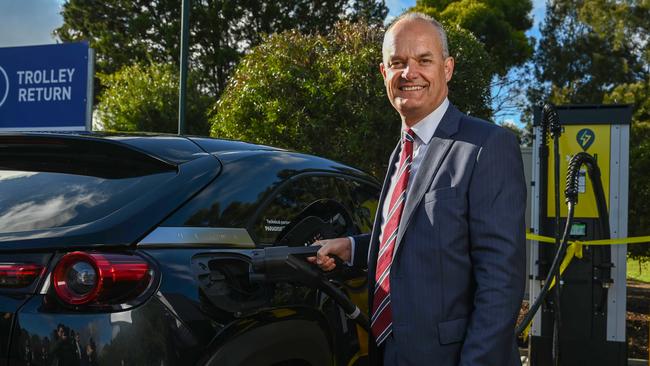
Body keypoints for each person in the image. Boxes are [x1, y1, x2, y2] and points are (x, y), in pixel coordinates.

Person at [312, 12, 526, 366]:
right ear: (384, 74)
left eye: (424, 60)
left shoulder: (488, 146)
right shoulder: (402, 151)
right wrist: (351, 248)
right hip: (389, 351)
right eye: (397, 62)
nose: (409, 73)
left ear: (447, 68)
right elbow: (420, 239)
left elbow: (500, 282)